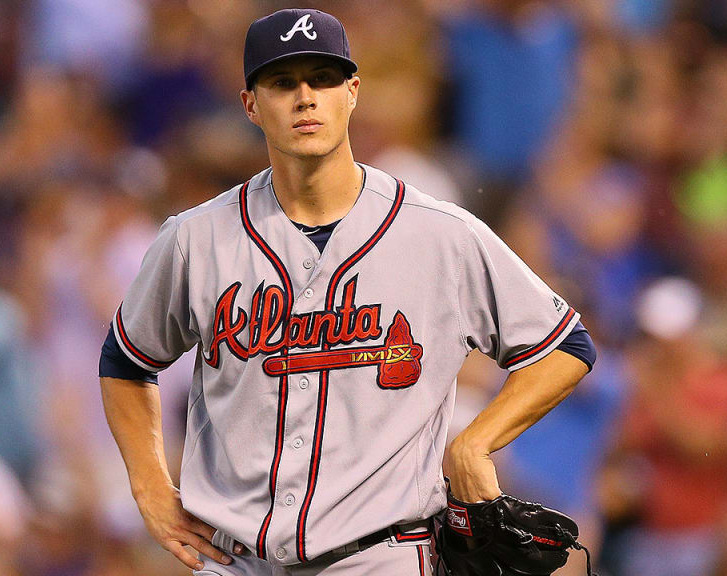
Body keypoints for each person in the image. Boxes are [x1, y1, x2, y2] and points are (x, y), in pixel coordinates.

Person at [99, 9, 596, 575]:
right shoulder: (195, 238)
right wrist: (149, 485)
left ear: (352, 92)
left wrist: (474, 443)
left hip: (380, 557)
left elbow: (565, 346)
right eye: (283, 83)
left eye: (323, 79)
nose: (305, 98)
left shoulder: (439, 234)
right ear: (250, 105)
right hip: (234, 560)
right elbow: (126, 359)